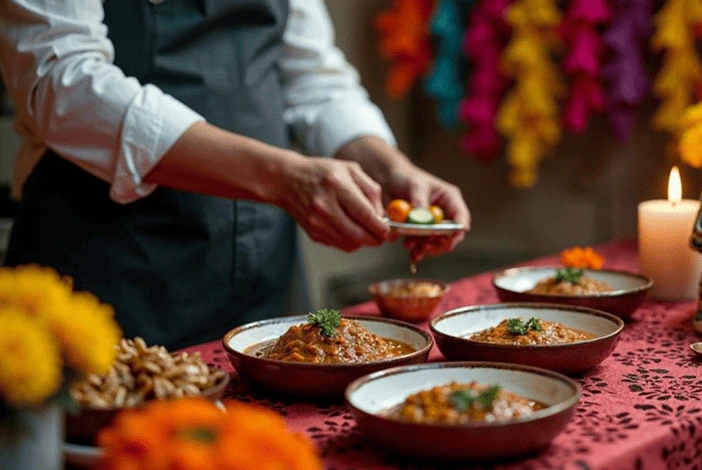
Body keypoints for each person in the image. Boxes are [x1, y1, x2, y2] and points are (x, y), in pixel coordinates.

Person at [0, 0, 470, 349]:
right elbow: (63, 83)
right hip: (105, 269)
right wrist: (283, 178)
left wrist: (390, 166)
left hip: (262, 266)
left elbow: (312, 78)